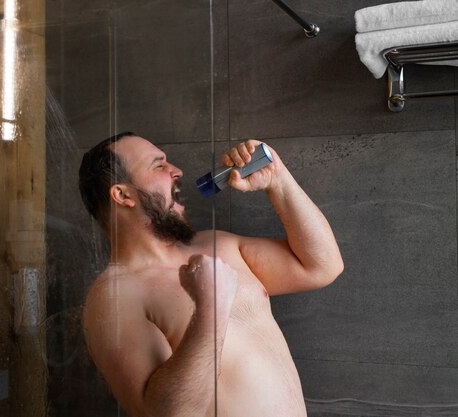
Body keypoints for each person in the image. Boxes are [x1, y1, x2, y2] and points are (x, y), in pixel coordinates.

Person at [78, 132, 343, 417]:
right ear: (123, 195)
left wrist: (277, 179)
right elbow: (164, 413)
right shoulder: (114, 297)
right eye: (159, 165)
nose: (176, 171)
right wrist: (210, 308)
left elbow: (321, 266)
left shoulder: (216, 244)